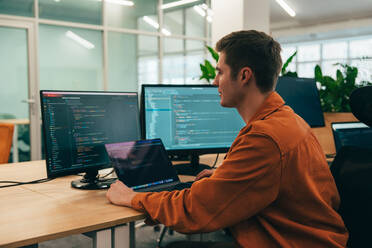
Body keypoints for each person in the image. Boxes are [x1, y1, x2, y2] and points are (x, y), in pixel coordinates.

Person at [106, 30, 348, 247]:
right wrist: (227, 178)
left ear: (244, 76)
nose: (214, 82)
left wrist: (134, 198)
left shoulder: (264, 137)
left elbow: (195, 210)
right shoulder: (288, 120)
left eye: (220, 72)